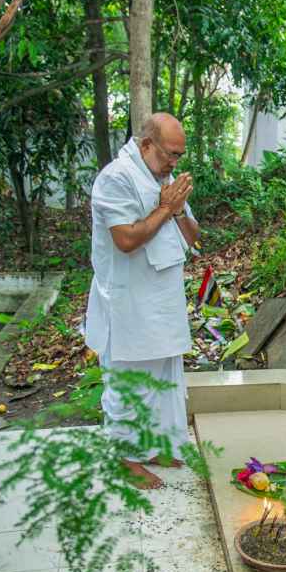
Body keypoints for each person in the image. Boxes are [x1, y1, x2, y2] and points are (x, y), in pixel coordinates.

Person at [85, 112, 199, 489]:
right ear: (146, 144)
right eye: (170, 153)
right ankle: (121, 458)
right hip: (128, 300)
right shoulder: (115, 178)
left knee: (161, 379)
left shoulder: (162, 180)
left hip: (161, 298)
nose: (174, 162)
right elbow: (126, 240)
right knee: (129, 382)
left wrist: (178, 208)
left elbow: (192, 237)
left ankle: (150, 446)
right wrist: (166, 208)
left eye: (179, 156)